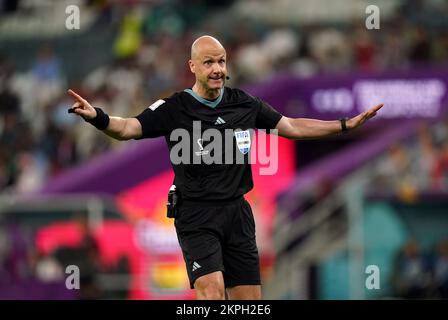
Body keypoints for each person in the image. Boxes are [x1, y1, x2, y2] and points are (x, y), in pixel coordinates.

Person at [67, 35, 383, 300]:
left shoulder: (243, 104)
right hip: (196, 214)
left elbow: (294, 127)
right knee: (212, 291)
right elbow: (127, 128)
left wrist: (343, 125)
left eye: (221, 61)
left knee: (249, 301)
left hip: (237, 213)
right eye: (209, 62)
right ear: (192, 66)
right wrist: (98, 116)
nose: (218, 69)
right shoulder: (174, 108)